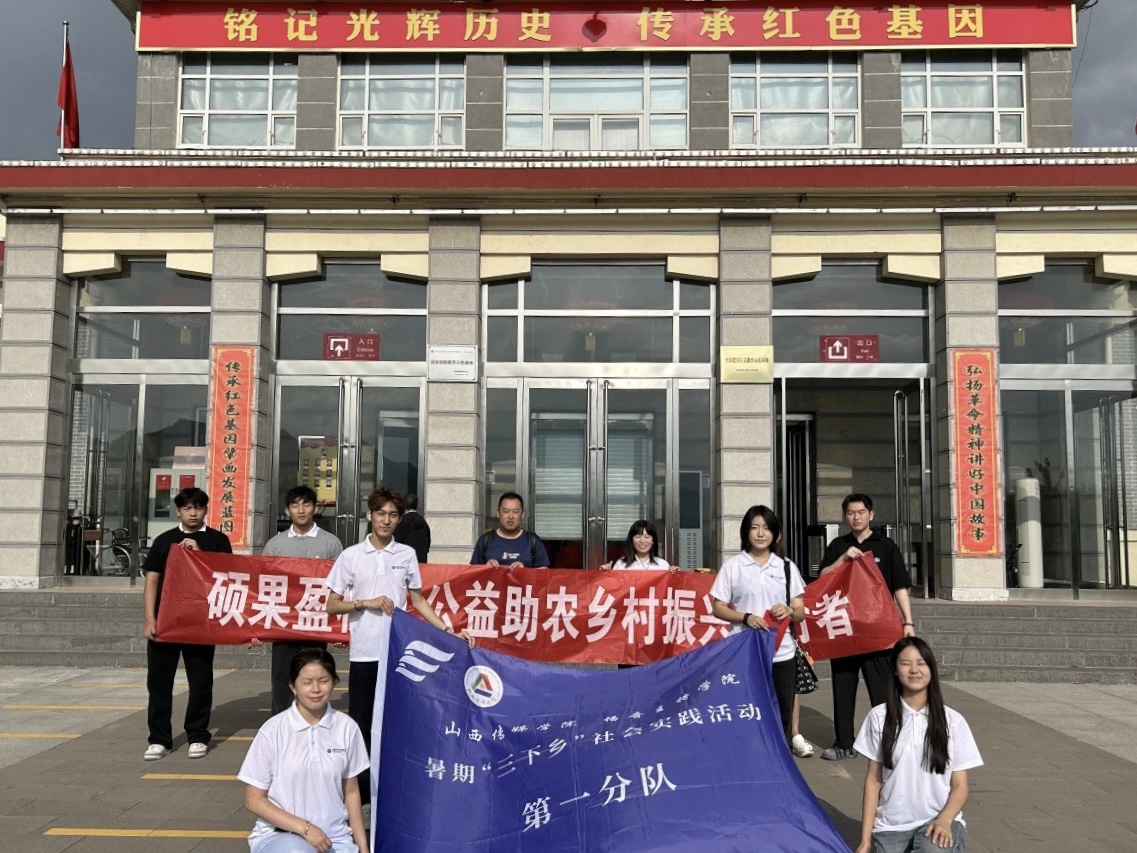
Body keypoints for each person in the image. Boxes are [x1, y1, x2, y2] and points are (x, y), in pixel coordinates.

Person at [325, 487, 473, 809]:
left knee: (398, 723)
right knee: (362, 724)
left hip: (399, 654)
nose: (386, 520)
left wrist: (449, 632)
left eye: (393, 515)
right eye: (381, 513)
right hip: (365, 654)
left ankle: (395, 790)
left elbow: (418, 600)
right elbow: (331, 604)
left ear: (399, 519)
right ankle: (362, 797)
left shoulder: (405, 554)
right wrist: (364, 603)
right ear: (370, 515)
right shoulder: (351, 555)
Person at [854, 637, 983, 853]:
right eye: (905, 663)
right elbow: (873, 781)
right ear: (895, 670)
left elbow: (960, 786)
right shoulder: (879, 717)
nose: (914, 670)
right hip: (892, 827)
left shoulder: (953, 721)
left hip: (938, 819)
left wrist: (945, 820)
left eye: (921, 663)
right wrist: (865, 840)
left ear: (931, 669)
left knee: (933, 848)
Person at [239, 648, 369, 853]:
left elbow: (351, 791)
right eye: (307, 682)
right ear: (293, 685)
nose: (316, 689)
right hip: (280, 836)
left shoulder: (347, 727)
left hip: (335, 838)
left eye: (323, 681)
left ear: (334, 682)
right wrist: (305, 828)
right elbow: (253, 799)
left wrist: (362, 846)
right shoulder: (273, 730)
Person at [819, 493, 917, 762]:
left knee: (882, 690)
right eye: (851, 513)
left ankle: (888, 743)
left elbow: (899, 586)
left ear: (871, 515)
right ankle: (843, 743)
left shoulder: (885, 546)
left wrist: (908, 621)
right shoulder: (839, 545)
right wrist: (842, 560)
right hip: (845, 630)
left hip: (877, 631)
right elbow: (822, 578)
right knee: (843, 688)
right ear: (845, 516)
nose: (856, 517)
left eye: (861, 512)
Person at [142, 487, 232, 761]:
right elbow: (152, 581)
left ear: (206, 510)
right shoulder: (164, 540)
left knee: (201, 681)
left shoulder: (217, 540)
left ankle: (198, 735)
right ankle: (159, 739)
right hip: (166, 623)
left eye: (198, 507)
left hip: (200, 623)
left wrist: (200, 554)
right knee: (159, 683)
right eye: (187, 508)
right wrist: (150, 618)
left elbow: (228, 578)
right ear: (178, 511)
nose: (193, 513)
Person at [710, 505, 805, 746]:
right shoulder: (733, 566)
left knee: (782, 713)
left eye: (766, 528)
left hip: (781, 654)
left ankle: (781, 757)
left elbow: (801, 612)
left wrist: (789, 610)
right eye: (754, 528)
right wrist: (745, 617)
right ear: (746, 532)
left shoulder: (787, 567)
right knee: (746, 710)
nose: (760, 533)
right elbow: (718, 607)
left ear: (775, 533)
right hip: (744, 652)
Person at [260, 486, 344, 716]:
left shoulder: (331, 544)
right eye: (295, 505)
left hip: (316, 625)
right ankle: (281, 726)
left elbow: (340, 587)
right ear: (287, 510)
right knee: (282, 679)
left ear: (315, 508)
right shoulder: (275, 545)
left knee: (314, 677)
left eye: (306, 504)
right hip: (283, 625)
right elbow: (262, 587)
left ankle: (314, 722)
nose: (301, 510)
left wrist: (338, 628)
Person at [470, 491, 550, 568]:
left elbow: (543, 574)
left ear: (522, 514)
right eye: (506, 511)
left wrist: (524, 572)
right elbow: (473, 573)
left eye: (515, 512)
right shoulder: (485, 540)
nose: (510, 516)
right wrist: (486, 569)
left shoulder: (533, 541)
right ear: (498, 513)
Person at [599, 519, 680, 572]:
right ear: (632, 540)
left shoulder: (662, 565)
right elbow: (612, 589)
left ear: (653, 541)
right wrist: (604, 574)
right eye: (638, 537)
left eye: (647, 537)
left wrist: (676, 576)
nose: (642, 541)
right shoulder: (621, 565)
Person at [393, 493, 431, 564]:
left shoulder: (401, 523)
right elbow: (427, 545)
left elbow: (396, 544)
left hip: (405, 563)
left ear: (404, 506)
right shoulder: (424, 523)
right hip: (421, 562)